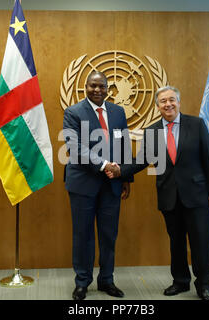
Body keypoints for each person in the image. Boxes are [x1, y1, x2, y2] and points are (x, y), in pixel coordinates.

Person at [106, 86, 209, 300]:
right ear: (157, 106)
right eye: (163, 101)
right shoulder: (152, 131)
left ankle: (204, 285)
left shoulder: (196, 124)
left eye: (171, 100)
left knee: (201, 242)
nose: (168, 104)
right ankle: (180, 282)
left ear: (178, 102)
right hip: (169, 196)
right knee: (176, 242)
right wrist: (120, 170)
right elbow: (142, 160)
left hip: (196, 195)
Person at [63, 71, 133, 300]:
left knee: (108, 235)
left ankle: (107, 280)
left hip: (112, 185)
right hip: (84, 184)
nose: (97, 90)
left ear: (107, 88)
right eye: (93, 86)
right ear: (85, 86)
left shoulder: (117, 112)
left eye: (101, 86)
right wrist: (104, 165)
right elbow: (76, 148)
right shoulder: (73, 112)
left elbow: (123, 145)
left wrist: (125, 178)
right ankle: (82, 282)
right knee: (83, 235)